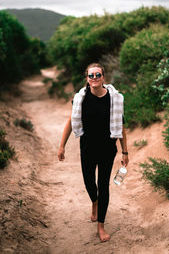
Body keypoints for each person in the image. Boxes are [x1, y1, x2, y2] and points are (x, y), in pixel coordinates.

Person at [57, 63, 129, 242]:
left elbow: (121, 126)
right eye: (91, 76)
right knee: (89, 182)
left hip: (107, 149)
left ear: (103, 77)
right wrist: (62, 145)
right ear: (87, 79)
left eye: (98, 75)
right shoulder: (81, 98)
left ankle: (101, 226)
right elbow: (71, 121)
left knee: (103, 185)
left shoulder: (114, 99)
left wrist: (125, 151)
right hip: (87, 148)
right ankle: (94, 202)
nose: (95, 78)